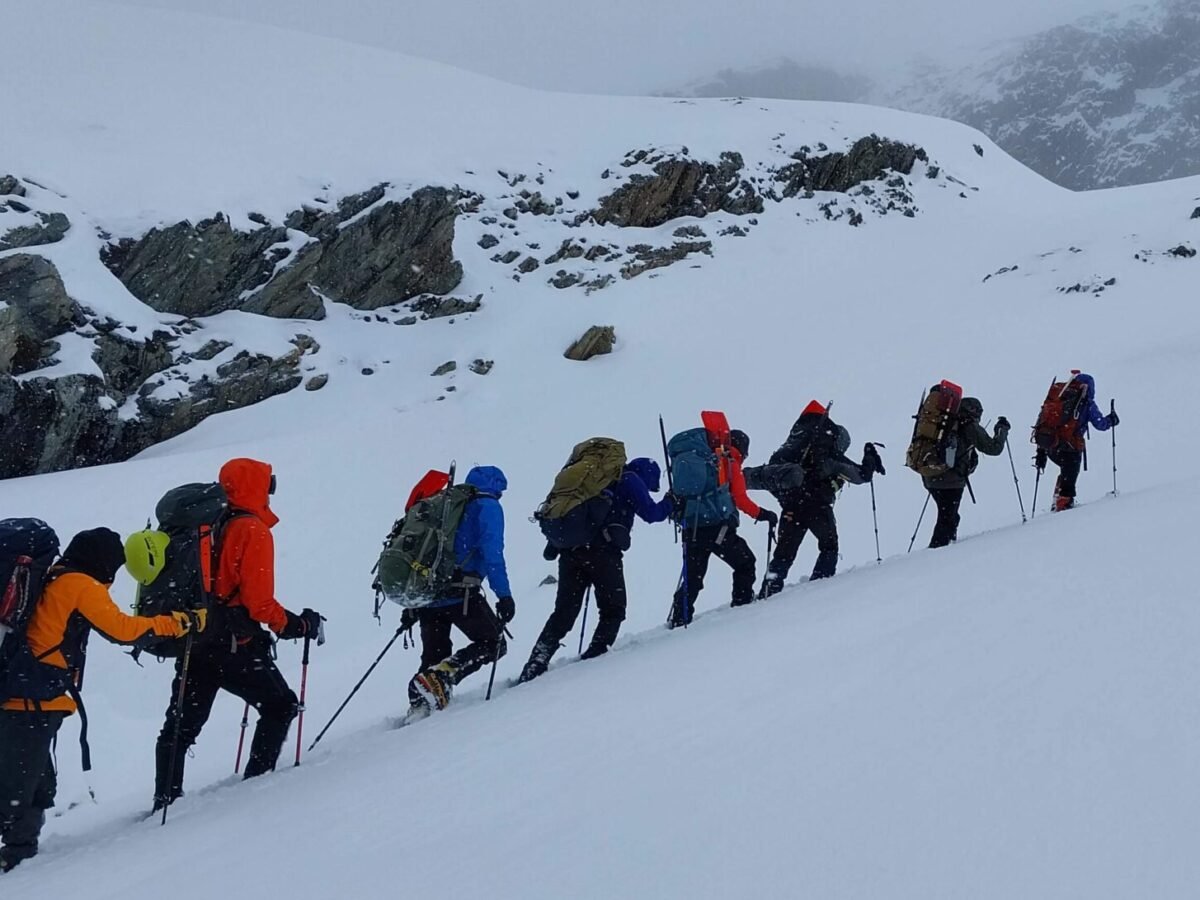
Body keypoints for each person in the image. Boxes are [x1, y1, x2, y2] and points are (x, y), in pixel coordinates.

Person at [1, 528, 199, 872]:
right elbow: (122, 629)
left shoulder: (55, 577)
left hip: (28, 693)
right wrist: (178, 623)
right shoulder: (81, 584)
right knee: (19, 786)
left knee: (34, 781)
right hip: (30, 699)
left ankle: (21, 854)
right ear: (103, 561)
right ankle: (17, 853)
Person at [153, 458, 323, 812]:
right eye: (268, 483)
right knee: (280, 706)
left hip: (195, 637)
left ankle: (164, 802)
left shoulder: (206, 523)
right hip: (234, 643)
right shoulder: (251, 530)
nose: (270, 490)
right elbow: (259, 603)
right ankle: (255, 790)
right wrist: (296, 625)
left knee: (180, 726)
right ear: (256, 487)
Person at [518, 458, 673, 683]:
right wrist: (670, 502)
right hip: (603, 554)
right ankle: (596, 657)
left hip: (570, 553)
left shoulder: (594, 482)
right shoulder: (630, 479)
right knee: (614, 608)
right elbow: (652, 514)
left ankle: (536, 662)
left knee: (564, 612)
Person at [405, 466, 513, 714]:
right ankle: (444, 676)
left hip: (428, 593)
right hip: (461, 592)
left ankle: (421, 708)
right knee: (494, 643)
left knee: (435, 653)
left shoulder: (444, 504)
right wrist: (504, 595)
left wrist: (412, 602)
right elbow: (492, 554)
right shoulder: (487, 506)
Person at [758, 402, 884, 597]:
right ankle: (818, 591)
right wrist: (869, 457)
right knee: (829, 546)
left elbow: (775, 479)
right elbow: (861, 476)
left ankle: (768, 592)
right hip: (818, 506)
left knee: (783, 554)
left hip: (791, 507)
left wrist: (790, 501)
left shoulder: (790, 448)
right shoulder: (826, 452)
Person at [668, 421, 777, 627]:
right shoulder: (729, 462)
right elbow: (741, 499)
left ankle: (679, 618)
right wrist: (764, 514)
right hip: (718, 528)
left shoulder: (706, 460)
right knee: (745, 562)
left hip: (692, 526)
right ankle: (742, 606)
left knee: (693, 576)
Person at [923, 398, 1009, 548]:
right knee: (947, 518)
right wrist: (1002, 431)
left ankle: (949, 546)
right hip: (951, 481)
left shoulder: (943, 421)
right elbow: (994, 448)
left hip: (930, 475)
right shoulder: (969, 425)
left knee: (948, 514)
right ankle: (936, 554)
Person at [1034, 371, 1118, 511]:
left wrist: (1041, 451)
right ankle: (1063, 505)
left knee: (1065, 472)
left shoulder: (1058, 399)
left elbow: (1043, 423)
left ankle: (1058, 499)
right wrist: (1112, 420)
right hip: (1070, 448)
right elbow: (1100, 424)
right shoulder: (1086, 403)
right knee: (1070, 476)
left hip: (1051, 447)